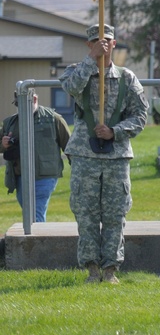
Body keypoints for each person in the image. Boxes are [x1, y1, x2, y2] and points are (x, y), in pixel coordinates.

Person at [59, 23, 148, 284]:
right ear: (89, 45)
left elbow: (140, 116)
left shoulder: (127, 78)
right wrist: (91, 60)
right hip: (84, 155)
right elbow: (72, 88)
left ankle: (110, 269)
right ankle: (91, 268)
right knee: (85, 213)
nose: (103, 44)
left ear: (115, 43)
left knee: (115, 213)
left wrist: (115, 131)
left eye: (107, 40)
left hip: (116, 155)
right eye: (97, 41)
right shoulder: (77, 71)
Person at [3, 91, 71, 222]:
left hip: (45, 176)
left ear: (34, 99)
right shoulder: (10, 122)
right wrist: (4, 143)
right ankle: (37, 238)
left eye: (23, 104)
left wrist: (79, 170)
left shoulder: (54, 119)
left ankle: (37, 240)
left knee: (35, 213)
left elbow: (70, 146)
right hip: (20, 176)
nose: (20, 108)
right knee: (29, 212)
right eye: (17, 104)